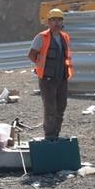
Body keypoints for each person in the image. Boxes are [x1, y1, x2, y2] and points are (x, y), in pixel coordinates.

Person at [27, 8, 74, 139]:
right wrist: (41, 66)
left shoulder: (65, 37)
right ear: (48, 22)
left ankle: (56, 134)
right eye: (53, 20)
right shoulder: (41, 37)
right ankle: (49, 135)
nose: (56, 23)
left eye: (59, 20)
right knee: (50, 109)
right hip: (47, 80)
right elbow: (31, 55)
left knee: (61, 107)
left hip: (62, 78)